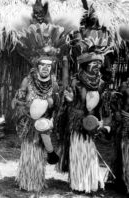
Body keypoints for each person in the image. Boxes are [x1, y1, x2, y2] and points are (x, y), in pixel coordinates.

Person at [10, 0, 81, 192]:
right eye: (41, 65)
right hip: (29, 123)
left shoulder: (54, 84)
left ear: (51, 68)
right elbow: (16, 103)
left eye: (48, 67)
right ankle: (27, 181)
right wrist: (25, 108)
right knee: (31, 148)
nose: (44, 69)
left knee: (41, 147)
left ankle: (37, 179)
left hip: (44, 124)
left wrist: (58, 103)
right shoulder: (28, 81)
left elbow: (58, 106)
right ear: (36, 65)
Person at [63, 29, 113, 193]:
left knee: (89, 151)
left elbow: (103, 107)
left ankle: (90, 182)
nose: (97, 67)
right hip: (78, 122)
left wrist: (102, 122)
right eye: (94, 64)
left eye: (99, 64)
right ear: (85, 64)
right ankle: (78, 183)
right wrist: (69, 100)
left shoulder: (100, 84)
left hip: (91, 124)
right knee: (79, 151)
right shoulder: (76, 81)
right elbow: (68, 105)